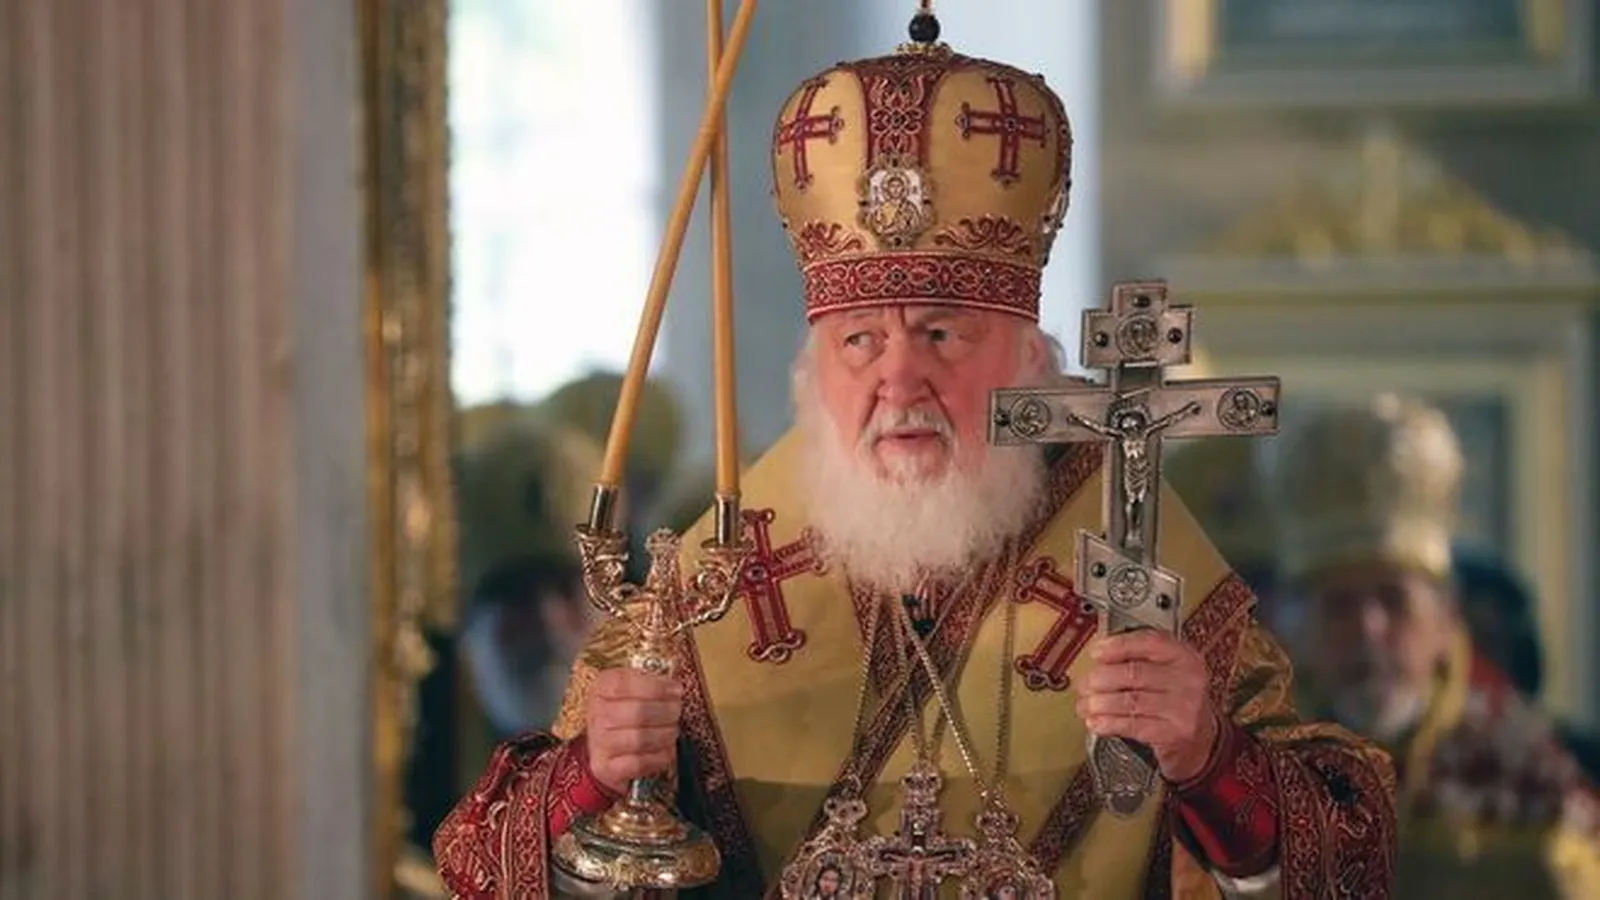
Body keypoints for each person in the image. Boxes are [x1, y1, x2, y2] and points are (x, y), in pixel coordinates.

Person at [433, 20, 1396, 898]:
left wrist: (1209, 758)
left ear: (1028, 359)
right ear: (814, 372)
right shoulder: (712, 585)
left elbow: (1350, 857)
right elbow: (480, 862)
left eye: (941, 334)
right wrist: (594, 775)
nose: (899, 380)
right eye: (860, 341)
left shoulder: (1139, 552)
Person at [1271, 392, 1600, 897]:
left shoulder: (1528, 788)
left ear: (1446, 620)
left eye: (1394, 599)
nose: (1368, 630)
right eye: (1338, 605)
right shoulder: (1250, 774)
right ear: (1294, 629)